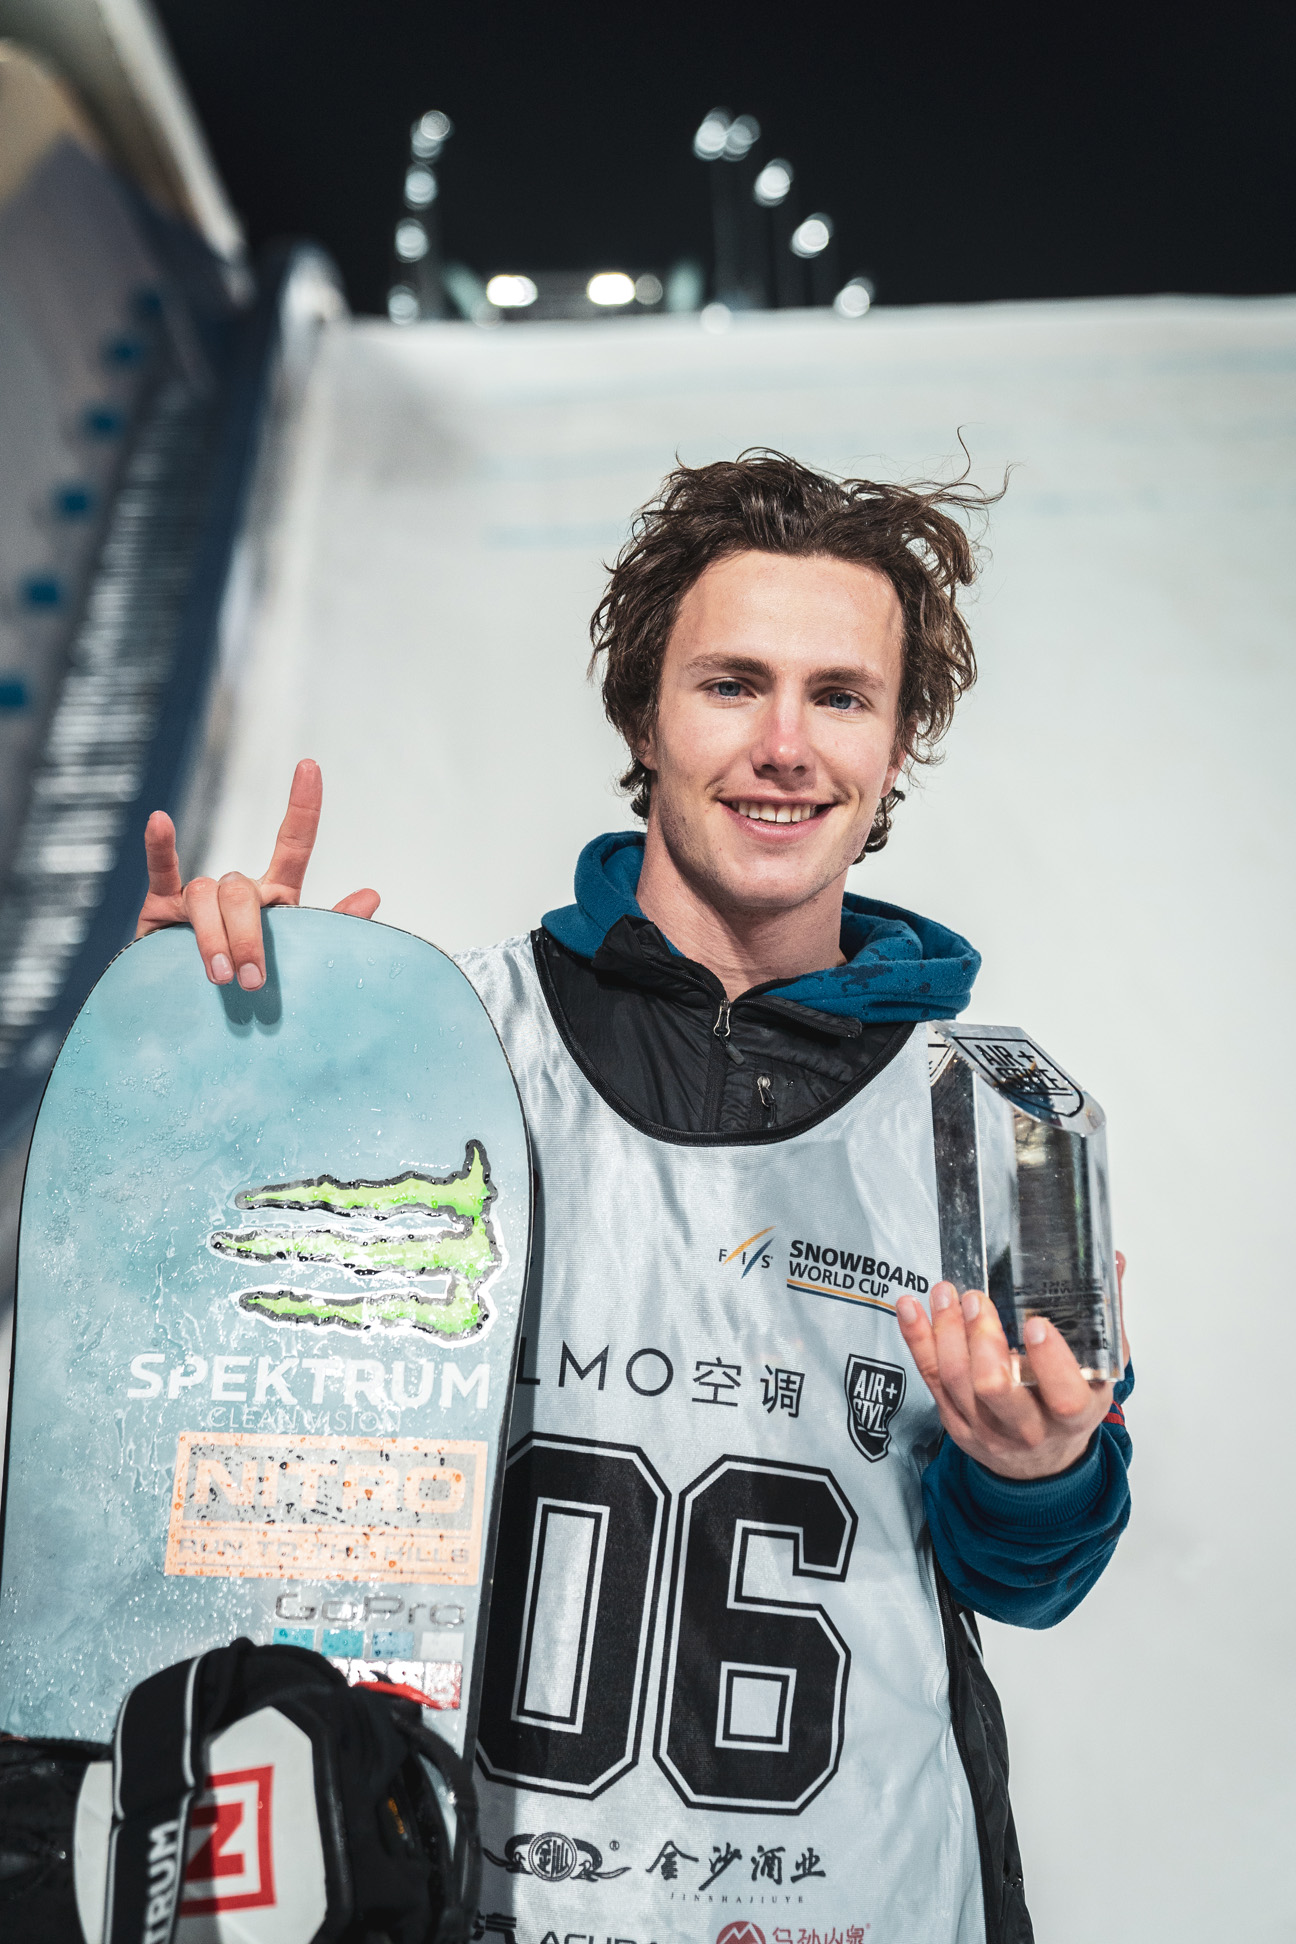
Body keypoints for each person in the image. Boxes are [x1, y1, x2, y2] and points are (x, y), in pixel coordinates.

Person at [137, 452, 1133, 1944]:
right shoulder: (436, 1050)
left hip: (858, 1902)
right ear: (642, 717)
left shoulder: (1003, 1124)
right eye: (732, 684)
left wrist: (1040, 1471)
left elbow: (1031, 1576)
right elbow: (208, 1425)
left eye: (841, 696)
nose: (785, 746)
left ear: (896, 743)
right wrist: (199, 1075)